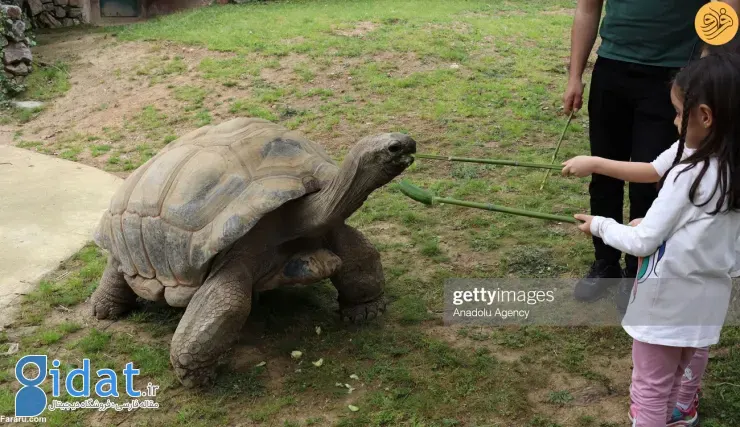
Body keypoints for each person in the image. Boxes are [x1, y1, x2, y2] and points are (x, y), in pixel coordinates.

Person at [561, 40, 740, 425]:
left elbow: (643, 243)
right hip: (708, 302)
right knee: (686, 361)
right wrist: (597, 164)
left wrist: (601, 224)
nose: (674, 122)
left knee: (650, 385)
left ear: (705, 116)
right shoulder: (728, 166)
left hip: (667, 304)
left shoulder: (688, 174)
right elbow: (703, 228)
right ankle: (684, 411)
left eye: (678, 114)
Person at [563, 0, 740, 311]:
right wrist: (575, 75)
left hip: (675, 72)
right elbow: (587, 7)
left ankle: (638, 272)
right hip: (612, 67)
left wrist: (703, 72)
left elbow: (726, 8)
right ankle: (605, 264)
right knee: (603, 173)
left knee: (652, 181)